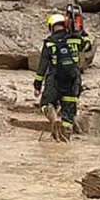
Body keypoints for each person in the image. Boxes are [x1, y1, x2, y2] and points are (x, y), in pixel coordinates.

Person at [33, 13, 92, 142]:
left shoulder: (49, 43)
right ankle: (65, 139)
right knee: (68, 112)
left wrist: (37, 86)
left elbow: (42, 66)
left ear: (51, 27)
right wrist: (82, 32)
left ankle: (53, 117)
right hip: (73, 80)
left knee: (45, 104)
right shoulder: (76, 39)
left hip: (54, 79)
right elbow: (88, 48)